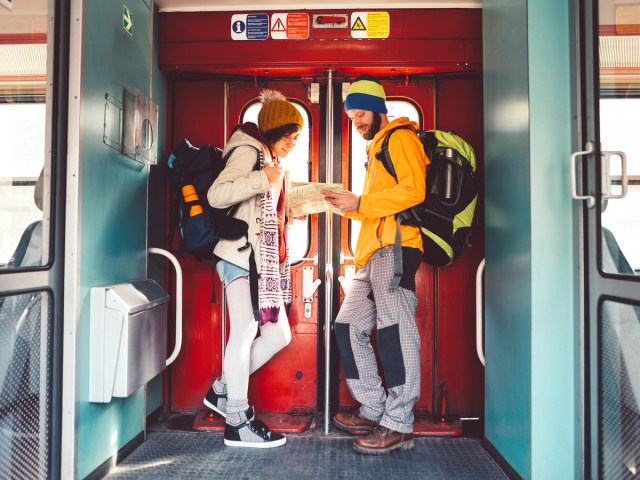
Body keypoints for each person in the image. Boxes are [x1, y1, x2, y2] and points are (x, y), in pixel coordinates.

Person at [322, 75, 428, 454]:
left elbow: (415, 190)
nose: (358, 122)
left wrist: (361, 204)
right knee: (348, 326)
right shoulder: (378, 147)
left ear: (380, 109)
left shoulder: (401, 138)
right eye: (352, 117)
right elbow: (379, 206)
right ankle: (374, 407)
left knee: (395, 332)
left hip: (396, 249)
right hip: (372, 253)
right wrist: (347, 204)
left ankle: (399, 423)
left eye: (362, 113)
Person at [204, 90, 303, 448]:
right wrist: (264, 179)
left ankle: (221, 392)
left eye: (298, 137)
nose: (294, 142)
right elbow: (218, 194)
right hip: (238, 255)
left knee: (278, 335)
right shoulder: (248, 150)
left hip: (256, 259)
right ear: (274, 130)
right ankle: (237, 420)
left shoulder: (269, 157)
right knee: (244, 330)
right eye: (290, 135)